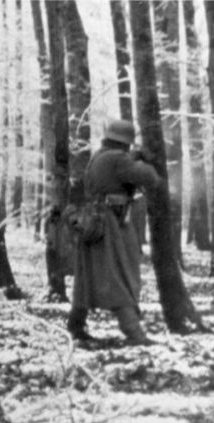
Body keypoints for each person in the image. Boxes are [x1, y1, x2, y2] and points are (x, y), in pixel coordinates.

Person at [67, 119, 163, 346]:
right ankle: (133, 332)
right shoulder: (118, 159)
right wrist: (148, 162)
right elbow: (151, 178)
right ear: (126, 143)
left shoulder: (99, 156)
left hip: (93, 222)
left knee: (87, 277)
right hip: (109, 224)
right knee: (119, 274)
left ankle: (76, 324)